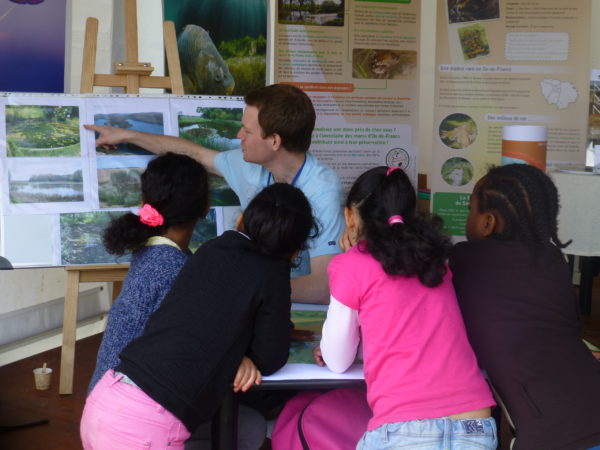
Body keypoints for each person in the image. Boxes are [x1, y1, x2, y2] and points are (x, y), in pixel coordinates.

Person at [80, 183, 317, 450]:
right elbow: (272, 356)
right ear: (296, 250)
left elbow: (201, 316)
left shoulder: (213, 248)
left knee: (247, 428)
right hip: (146, 426)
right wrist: (245, 355)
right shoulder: (273, 273)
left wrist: (235, 351)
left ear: (242, 220)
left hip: (108, 396)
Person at [84, 83, 344, 304]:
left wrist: (249, 291)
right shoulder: (250, 166)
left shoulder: (322, 190)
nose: (238, 135)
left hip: (300, 312)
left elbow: (323, 287)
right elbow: (195, 153)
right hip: (258, 304)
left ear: (274, 141)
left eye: (248, 131)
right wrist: (127, 134)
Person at [313, 166, 497, 449]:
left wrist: (349, 257)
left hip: (405, 428)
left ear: (350, 216)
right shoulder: (436, 260)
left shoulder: (351, 265)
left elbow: (337, 361)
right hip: (476, 424)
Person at [449, 163, 600, 450]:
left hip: (554, 435)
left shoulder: (465, 261)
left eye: (472, 210)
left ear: (488, 222)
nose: (469, 218)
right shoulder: (553, 260)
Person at [88, 152, 210, 394]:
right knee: (253, 424)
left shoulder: (151, 252)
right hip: (130, 413)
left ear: (145, 202)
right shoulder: (175, 268)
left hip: (102, 402)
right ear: (205, 207)